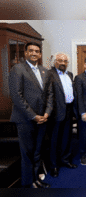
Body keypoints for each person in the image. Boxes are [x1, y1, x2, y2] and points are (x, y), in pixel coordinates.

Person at [9, 42, 53, 188]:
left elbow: (49, 95)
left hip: (42, 119)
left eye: (37, 51)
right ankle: (28, 184)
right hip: (25, 119)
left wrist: (47, 113)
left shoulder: (44, 71)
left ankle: (36, 180)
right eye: (31, 51)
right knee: (27, 154)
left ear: (40, 54)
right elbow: (16, 96)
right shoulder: (18, 69)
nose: (34, 53)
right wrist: (33, 116)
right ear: (26, 53)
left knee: (37, 152)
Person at [48, 52, 77, 178]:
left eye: (65, 61)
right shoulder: (49, 74)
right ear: (55, 62)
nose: (63, 63)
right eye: (60, 60)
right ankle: (54, 165)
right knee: (54, 140)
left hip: (69, 109)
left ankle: (65, 160)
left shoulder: (69, 74)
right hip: (55, 111)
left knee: (67, 137)